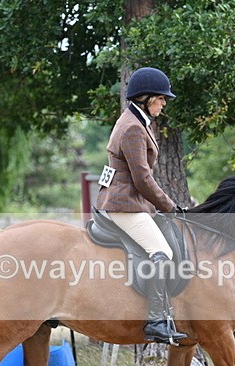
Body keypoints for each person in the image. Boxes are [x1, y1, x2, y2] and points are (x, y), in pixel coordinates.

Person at [94, 67, 187, 345]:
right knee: (162, 252)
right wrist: (170, 206)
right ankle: (156, 320)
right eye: (160, 98)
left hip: (130, 202)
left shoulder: (136, 121)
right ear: (146, 98)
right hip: (125, 205)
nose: (164, 102)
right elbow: (142, 179)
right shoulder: (134, 128)